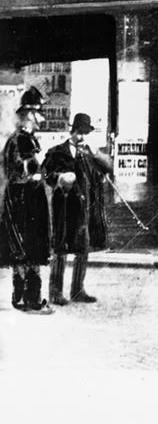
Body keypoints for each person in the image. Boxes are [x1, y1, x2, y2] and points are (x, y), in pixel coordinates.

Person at [45, 113, 113, 305]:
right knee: (60, 248)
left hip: (83, 209)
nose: (81, 137)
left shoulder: (88, 154)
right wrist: (59, 178)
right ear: (71, 131)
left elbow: (109, 167)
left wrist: (96, 154)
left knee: (82, 248)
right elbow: (47, 175)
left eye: (84, 133)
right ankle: (55, 293)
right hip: (64, 208)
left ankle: (77, 290)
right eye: (78, 133)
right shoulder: (57, 152)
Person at [0, 89, 53, 313]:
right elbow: (20, 171)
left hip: (27, 201)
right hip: (24, 203)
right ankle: (27, 300)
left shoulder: (24, 139)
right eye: (39, 114)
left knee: (26, 249)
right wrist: (38, 174)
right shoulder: (20, 140)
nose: (42, 118)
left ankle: (23, 298)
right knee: (27, 248)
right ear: (29, 115)